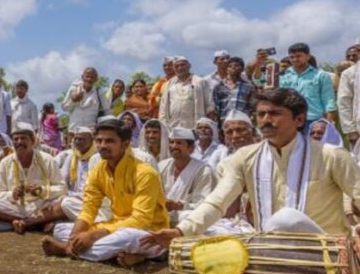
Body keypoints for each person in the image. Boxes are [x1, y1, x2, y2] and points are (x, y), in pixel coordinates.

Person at [142, 88, 360, 250]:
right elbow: (218, 201)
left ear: (300, 119)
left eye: (275, 114)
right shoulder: (245, 157)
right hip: (269, 248)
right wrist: (181, 231)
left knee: (286, 219)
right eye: (261, 114)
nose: (266, 120)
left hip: (326, 249)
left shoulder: (332, 156)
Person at [42, 118, 170, 266]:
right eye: (99, 141)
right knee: (61, 229)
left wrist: (94, 235)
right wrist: (75, 236)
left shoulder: (145, 173)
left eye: (110, 141)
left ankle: (66, 249)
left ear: (126, 144)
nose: (102, 146)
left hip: (148, 231)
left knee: (126, 237)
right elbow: (88, 209)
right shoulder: (98, 171)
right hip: (115, 226)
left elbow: (141, 219)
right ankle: (129, 256)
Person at [0, 123, 65, 234]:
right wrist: (13, 194)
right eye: (16, 139)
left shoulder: (47, 159)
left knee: (65, 203)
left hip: (41, 205)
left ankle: (24, 223)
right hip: (16, 207)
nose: (19, 142)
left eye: (23, 138)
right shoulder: (5, 163)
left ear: (32, 141)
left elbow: (62, 188)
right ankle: (33, 222)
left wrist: (42, 190)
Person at [38, 127, 104, 227]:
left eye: (81, 139)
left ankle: (32, 222)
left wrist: (69, 197)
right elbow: (63, 179)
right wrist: (62, 194)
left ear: (91, 140)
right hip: (71, 195)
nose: (77, 142)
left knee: (66, 204)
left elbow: (94, 189)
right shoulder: (72, 156)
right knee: (48, 199)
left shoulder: (98, 158)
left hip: (89, 199)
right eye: (76, 139)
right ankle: (42, 221)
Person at [159, 128, 215, 226]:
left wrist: (180, 205)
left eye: (179, 143)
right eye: (171, 142)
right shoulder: (162, 166)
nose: (174, 146)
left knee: (186, 215)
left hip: (186, 220)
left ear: (191, 148)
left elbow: (204, 204)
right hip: (161, 216)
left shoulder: (203, 170)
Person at [279, 43, 336, 126]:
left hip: (314, 121)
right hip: (290, 121)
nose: (295, 59)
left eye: (298, 56)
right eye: (292, 57)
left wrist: (329, 123)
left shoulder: (320, 75)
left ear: (308, 56)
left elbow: (328, 100)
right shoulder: (283, 76)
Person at [158, 56, 215, 129]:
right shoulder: (168, 84)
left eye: (182, 65)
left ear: (189, 66)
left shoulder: (200, 82)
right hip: (173, 127)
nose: (180, 68)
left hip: (195, 126)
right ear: (174, 69)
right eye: (177, 66)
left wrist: (210, 125)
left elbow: (210, 106)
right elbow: (163, 108)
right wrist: (163, 126)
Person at [61, 67, 109, 132]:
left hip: (90, 132)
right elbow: (64, 108)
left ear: (96, 79)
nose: (89, 79)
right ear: (82, 77)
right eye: (87, 76)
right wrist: (74, 101)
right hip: (74, 131)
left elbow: (107, 111)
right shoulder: (73, 89)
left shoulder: (99, 93)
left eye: (92, 77)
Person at [212, 56, 256, 123]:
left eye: (236, 65)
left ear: (242, 69)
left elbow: (252, 107)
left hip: (243, 123)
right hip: (224, 123)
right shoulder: (218, 87)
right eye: (230, 66)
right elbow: (216, 108)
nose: (233, 67)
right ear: (226, 69)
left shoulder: (248, 86)